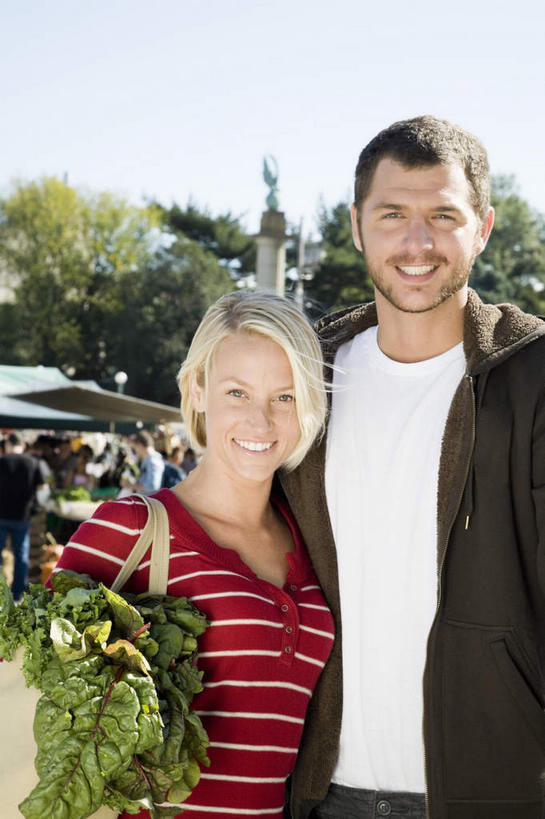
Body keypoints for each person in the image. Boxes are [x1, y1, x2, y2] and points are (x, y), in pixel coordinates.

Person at [280, 115, 545, 819]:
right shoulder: (304, 378)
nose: (417, 242)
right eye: (393, 214)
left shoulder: (533, 378)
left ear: (482, 227)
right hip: (320, 792)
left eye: (442, 216)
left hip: (494, 791)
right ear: (357, 226)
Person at [50, 290, 335, 819]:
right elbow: (35, 675)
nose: (261, 421)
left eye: (285, 396)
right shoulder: (129, 531)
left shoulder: (314, 541)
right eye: (237, 393)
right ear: (196, 391)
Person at [0, 432, 46, 601]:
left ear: (7, 445)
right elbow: (42, 488)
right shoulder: (33, 463)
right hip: (22, 516)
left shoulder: (1, 461)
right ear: (23, 446)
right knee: (21, 555)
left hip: (1, 515)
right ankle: (18, 593)